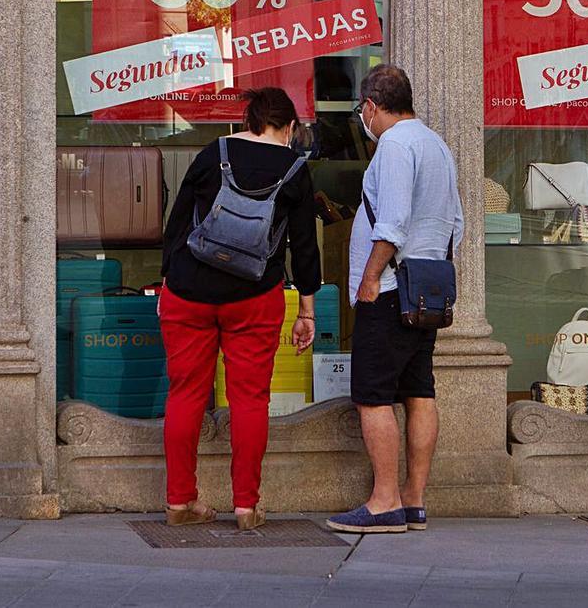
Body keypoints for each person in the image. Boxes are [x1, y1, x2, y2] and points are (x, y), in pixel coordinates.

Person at [159, 88, 320, 531]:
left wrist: (168, 278)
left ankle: (179, 501)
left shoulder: (216, 152)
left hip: (188, 291)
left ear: (249, 121)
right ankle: (247, 506)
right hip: (254, 296)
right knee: (250, 399)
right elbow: (304, 248)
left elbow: (176, 223)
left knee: (185, 394)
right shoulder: (295, 170)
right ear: (288, 127)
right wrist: (307, 310)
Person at [327, 65, 464, 534]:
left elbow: (392, 223)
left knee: (373, 396)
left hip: (388, 288)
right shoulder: (438, 145)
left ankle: (384, 501)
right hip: (426, 290)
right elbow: (456, 225)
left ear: (370, 107)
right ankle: (414, 501)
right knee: (418, 391)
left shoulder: (394, 146)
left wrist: (369, 279)